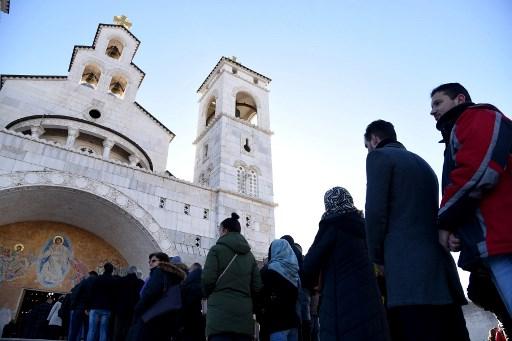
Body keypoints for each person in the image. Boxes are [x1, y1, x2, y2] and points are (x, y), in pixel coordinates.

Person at [364, 120, 469, 340]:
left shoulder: (378, 157)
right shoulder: (422, 163)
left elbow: (375, 213)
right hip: (439, 272)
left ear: (374, 140)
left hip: (407, 276)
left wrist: (376, 257)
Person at [430, 83, 512, 318]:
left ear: (459, 99)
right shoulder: (457, 132)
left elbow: (477, 172)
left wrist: (445, 221)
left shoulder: (476, 116)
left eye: (438, 103)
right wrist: (459, 229)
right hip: (496, 244)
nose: (432, 111)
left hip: (504, 240)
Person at [303, 186, 389, 340]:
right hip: (371, 304)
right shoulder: (365, 227)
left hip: (341, 307)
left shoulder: (331, 225)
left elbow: (308, 267)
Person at [202, 212, 263, 341]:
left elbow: (207, 280)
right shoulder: (250, 256)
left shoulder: (216, 250)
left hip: (219, 317)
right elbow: (257, 287)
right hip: (244, 316)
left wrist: (209, 294)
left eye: (220, 230)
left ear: (225, 230)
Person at [128, 252, 186, 341]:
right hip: (165, 321)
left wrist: (138, 309)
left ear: (162, 262)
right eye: (149, 261)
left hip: (150, 319)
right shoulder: (175, 278)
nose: (150, 263)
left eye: (154, 261)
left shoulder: (159, 272)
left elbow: (149, 294)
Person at [259, 239, 300, 341]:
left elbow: (259, 294)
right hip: (293, 322)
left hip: (275, 324)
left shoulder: (269, 270)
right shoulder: (295, 272)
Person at [112, 266, 144, 341]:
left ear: (128, 272)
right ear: (136, 273)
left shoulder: (120, 280)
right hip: (132, 310)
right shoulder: (140, 282)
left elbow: (115, 294)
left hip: (120, 309)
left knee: (118, 329)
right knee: (128, 329)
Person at [86, 263, 116, 341]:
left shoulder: (97, 279)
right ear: (112, 270)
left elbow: (90, 292)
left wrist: (88, 307)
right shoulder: (114, 281)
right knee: (103, 331)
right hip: (107, 309)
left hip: (95, 307)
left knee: (92, 330)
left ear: (104, 269)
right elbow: (114, 296)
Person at [68, 271, 98, 341]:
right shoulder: (96, 285)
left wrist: (73, 306)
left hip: (78, 308)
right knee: (87, 330)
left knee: (74, 330)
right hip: (88, 310)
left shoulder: (83, 282)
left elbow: (75, 294)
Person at [181, 262, 206, 341]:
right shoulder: (204, 283)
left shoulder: (186, 284)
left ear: (192, 270)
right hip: (201, 321)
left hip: (187, 322)